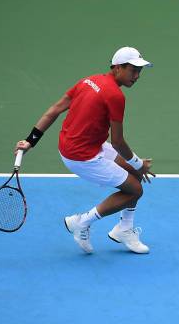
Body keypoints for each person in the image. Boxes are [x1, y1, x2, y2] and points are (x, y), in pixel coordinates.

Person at [14, 46, 155, 254]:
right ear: (117, 68)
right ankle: (82, 222)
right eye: (133, 70)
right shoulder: (116, 96)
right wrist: (138, 163)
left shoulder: (89, 80)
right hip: (82, 156)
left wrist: (30, 141)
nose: (137, 75)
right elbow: (117, 141)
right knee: (135, 189)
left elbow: (55, 109)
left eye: (139, 71)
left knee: (134, 175)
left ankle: (124, 230)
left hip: (80, 145)